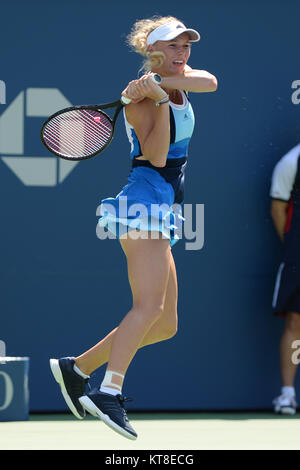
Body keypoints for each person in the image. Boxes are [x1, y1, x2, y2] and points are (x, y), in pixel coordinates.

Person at [50, 15, 217, 439]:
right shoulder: (141, 99)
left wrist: (164, 86)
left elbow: (211, 82)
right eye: (173, 47)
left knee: (165, 324)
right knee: (148, 307)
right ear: (154, 52)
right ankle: (109, 390)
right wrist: (156, 99)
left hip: (160, 205)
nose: (183, 54)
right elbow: (158, 157)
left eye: (186, 46)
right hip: (143, 204)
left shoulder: (180, 80)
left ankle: (77, 368)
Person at [270, 142, 300, 415]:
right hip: (298, 258)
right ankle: (288, 394)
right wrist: (293, 247)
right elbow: (279, 210)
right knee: (296, 321)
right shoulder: (292, 161)